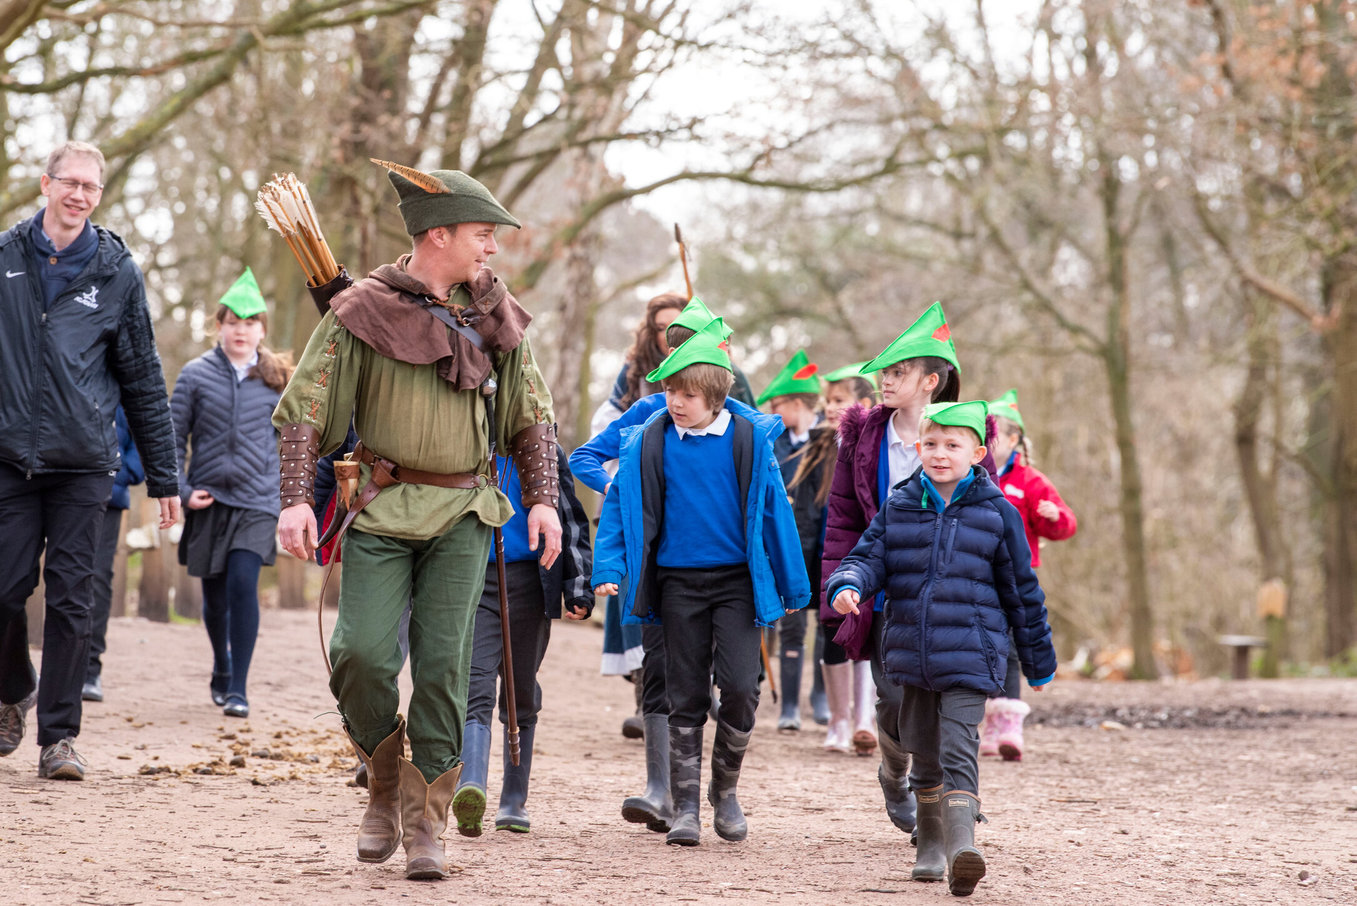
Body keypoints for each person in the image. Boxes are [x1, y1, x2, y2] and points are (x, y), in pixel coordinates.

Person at [273, 159, 560, 882]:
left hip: (464, 511)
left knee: (443, 670)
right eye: (480, 234)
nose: (490, 248)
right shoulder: (362, 308)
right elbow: (308, 404)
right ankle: (383, 775)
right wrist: (296, 498)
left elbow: (531, 415)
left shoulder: (495, 312)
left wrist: (545, 500)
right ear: (437, 236)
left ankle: (426, 816)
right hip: (378, 505)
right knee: (361, 656)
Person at [591, 318, 810, 847]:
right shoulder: (648, 441)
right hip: (675, 585)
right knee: (683, 691)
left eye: (687, 393)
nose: (676, 402)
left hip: (736, 583)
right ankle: (686, 806)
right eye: (669, 390)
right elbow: (623, 509)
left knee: (739, 688)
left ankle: (725, 791)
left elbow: (774, 512)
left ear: (716, 397)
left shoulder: (747, 441)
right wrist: (608, 567)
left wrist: (794, 588)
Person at [0, 141, 180, 782]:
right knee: (5, 588)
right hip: (10, 460)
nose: (78, 195)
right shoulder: (5, 259)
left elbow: (142, 379)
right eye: (69, 182)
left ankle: (58, 739)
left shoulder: (115, 272)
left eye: (91, 187)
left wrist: (165, 477)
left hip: (83, 465)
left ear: (99, 196)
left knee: (75, 601)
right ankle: (13, 686)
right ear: (45, 184)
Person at [827, 400, 1056, 896]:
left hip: (973, 653)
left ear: (977, 453)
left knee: (959, 745)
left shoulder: (997, 512)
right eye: (930, 444)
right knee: (922, 749)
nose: (939, 453)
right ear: (917, 448)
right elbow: (868, 557)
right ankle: (929, 840)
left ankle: (962, 846)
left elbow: (1022, 590)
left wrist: (1037, 658)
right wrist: (848, 583)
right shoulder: (901, 504)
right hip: (910, 651)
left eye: (952, 445)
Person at [570, 295, 729, 836]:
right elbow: (584, 457)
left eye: (688, 342)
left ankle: (719, 791)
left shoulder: (745, 418)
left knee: (727, 685)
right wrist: (623, 489)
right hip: (658, 570)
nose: (677, 352)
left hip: (725, 576)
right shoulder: (642, 410)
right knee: (660, 672)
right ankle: (664, 792)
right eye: (671, 341)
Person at [821, 302, 969, 838]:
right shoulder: (862, 437)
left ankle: (950, 798)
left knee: (950, 699)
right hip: (881, 590)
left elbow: (992, 518)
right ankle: (895, 768)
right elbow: (841, 516)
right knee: (894, 699)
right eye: (884, 371)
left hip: (948, 594)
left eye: (898, 372)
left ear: (930, 380)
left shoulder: (965, 438)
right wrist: (839, 582)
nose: (885, 380)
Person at [452, 446, 593, 837]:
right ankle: (472, 784)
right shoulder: (460, 444)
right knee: (474, 683)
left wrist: (578, 585)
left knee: (519, 691)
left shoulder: (545, 451)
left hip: (531, 582)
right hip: (472, 579)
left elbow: (571, 520)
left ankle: (514, 799)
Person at [171, 269, 292, 719]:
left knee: (243, 584)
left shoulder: (280, 379)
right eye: (232, 322)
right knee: (215, 597)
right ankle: (221, 667)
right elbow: (170, 436)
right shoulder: (195, 375)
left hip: (258, 502)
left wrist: (288, 498)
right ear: (218, 326)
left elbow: (297, 440)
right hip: (208, 501)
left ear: (262, 329)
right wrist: (181, 490)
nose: (241, 331)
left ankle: (238, 687)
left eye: (250, 323)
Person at [977, 389, 1076, 761]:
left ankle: (1009, 724)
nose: (988, 443)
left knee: (1014, 647)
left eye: (995, 435)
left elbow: (1065, 525)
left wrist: (1055, 517)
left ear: (1014, 439)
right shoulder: (972, 473)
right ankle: (985, 723)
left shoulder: (1030, 480)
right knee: (984, 644)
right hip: (978, 575)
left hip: (1019, 577)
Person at [784, 364, 877, 753]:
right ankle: (839, 721)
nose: (832, 407)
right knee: (832, 631)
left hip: (866, 552)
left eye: (841, 400)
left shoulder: (878, 444)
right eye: (830, 400)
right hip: (824, 552)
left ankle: (864, 718)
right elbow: (806, 506)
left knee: (867, 629)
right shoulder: (820, 444)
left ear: (865, 403)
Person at [756, 349, 823, 733]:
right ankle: (790, 707)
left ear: (796, 403)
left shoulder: (827, 442)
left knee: (823, 624)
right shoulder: (772, 442)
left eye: (777, 404)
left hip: (818, 545)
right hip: (782, 547)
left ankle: (820, 696)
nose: (773, 411)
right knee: (790, 624)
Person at [82, 405, 145, 704]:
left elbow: (145, 435)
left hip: (109, 496)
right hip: (55, 487)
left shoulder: (126, 374)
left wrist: (118, 474)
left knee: (98, 576)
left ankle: (89, 669)